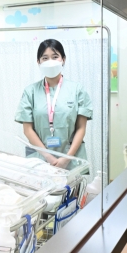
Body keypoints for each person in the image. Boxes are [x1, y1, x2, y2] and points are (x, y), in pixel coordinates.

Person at [15, 39, 93, 169]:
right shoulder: (30, 92)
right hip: (40, 159)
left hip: (72, 158)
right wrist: (48, 157)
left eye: (55, 57)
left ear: (63, 59)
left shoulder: (77, 90)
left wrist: (67, 158)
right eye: (45, 58)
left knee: (72, 189)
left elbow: (81, 128)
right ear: (38, 62)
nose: (50, 61)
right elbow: (27, 129)